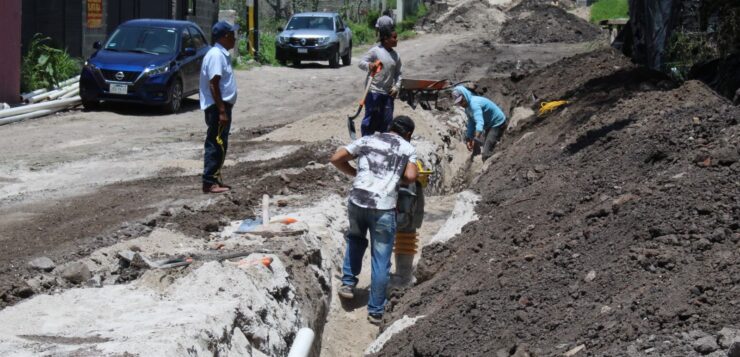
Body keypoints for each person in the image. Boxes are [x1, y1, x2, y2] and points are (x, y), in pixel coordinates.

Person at [330, 116, 419, 325]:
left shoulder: (367, 140)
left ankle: (348, 284)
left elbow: (336, 158)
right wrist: (397, 178)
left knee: (355, 239)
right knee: (381, 258)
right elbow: (413, 176)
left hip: (357, 201)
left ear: (390, 128)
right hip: (383, 208)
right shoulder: (407, 148)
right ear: (408, 134)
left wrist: (356, 173)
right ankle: (376, 311)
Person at [200, 21, 238, 194]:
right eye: (232, 35)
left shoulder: (221, 54)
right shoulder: (216, 55)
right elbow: (213, 84)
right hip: (217, 108)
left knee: (220, 143)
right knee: (216, 143)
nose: (235, 38)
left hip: (221, 107)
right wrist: (222, 110)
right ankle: (209, 182)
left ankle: (215, 179)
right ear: (224, 36)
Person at [357, 27, 402, 136]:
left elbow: (398, 73)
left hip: (388, 94)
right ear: (386, 39)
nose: (397, 40)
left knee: (386, 122)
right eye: (394, 37)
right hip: (373, 92)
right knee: (370, 120)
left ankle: (383, 145)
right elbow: (360, 63)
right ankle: (366, 142)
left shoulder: (396, 56)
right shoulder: (376, 51)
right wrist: (369, 65)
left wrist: (397, 86)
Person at [452, 85, 507, 161]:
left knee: (485, 152)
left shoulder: (474, 104)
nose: (461, 104)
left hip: (497, 123)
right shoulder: (467, 107)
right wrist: (469, 138)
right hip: (488, 124)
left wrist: (476, 138)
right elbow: (471, 122)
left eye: (461, 101)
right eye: (459, 102)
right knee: (486, 143)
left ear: (465, 96)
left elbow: (479, 122)